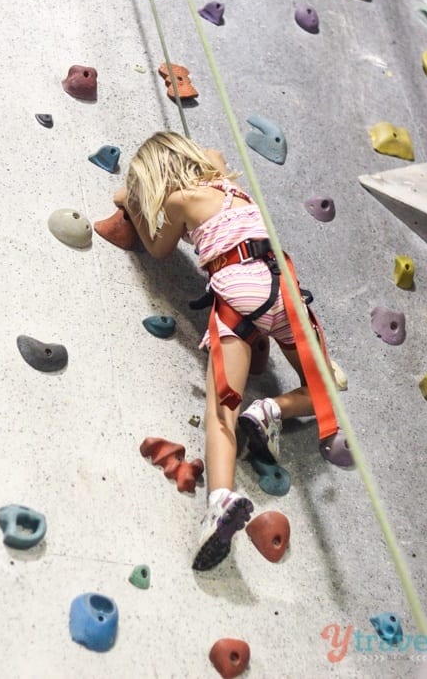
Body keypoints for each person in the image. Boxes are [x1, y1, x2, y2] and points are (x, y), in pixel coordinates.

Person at [113, 131, 342, 571]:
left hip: (240, 287)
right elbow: (207, 155)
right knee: (325, 389)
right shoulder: (218, 169)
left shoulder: (179, 201)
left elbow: (159, 249)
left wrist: (131, 199)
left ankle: (220, 499)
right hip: (283, 286)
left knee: (223, 411)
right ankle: (273, 410)